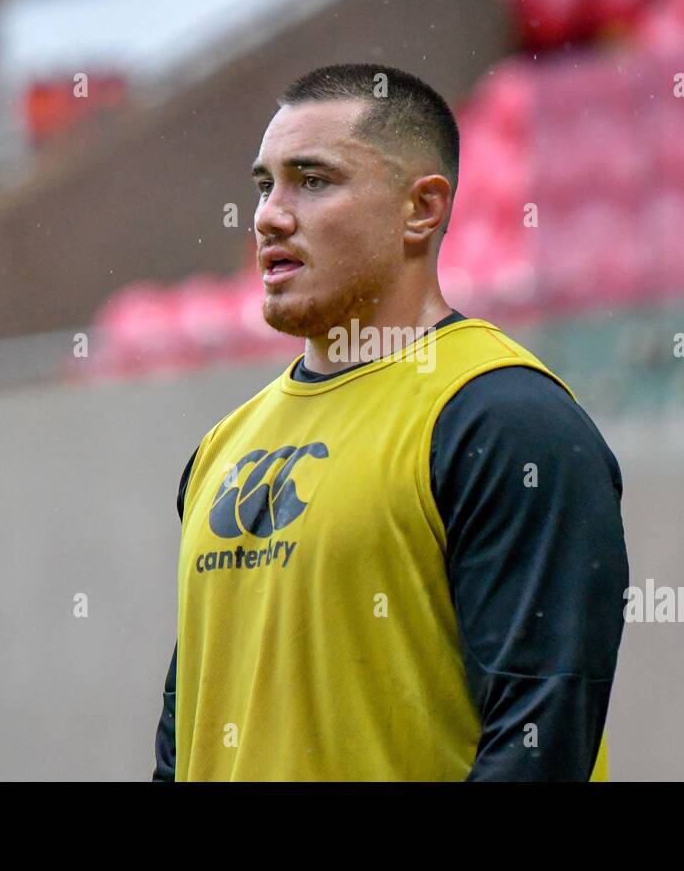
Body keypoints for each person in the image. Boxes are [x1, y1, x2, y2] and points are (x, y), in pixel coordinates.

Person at [153, 63, 627, 780]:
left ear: (422, 209)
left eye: (313, 181)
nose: (270, 216)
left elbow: (540, 739)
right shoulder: (222, 448)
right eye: (264, 185)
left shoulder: (505, 422)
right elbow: (182, 739)